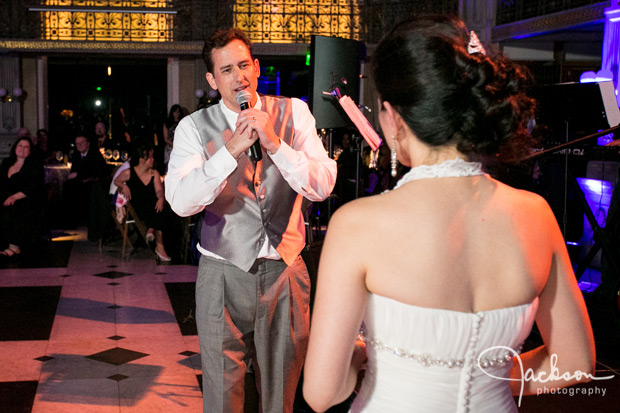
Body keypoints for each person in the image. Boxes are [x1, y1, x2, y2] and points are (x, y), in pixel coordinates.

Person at [303, 15, 595, 413]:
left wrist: (360, 355)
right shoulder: (536, 214)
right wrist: (480, 378)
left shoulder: (357, 225)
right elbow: (575, 365)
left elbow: (322, 394)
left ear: (392, 118)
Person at [165, 28, 337, 413]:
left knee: (281, 394)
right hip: (222, 273)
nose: (238, 77)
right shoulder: (193, 128)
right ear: (212, 80)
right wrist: (230, 151)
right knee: (222, 394)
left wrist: (275, 143)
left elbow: (323, 184)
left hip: (285, 271)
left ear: (257, 68)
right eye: (226, 69)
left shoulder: (295, 112)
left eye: (244, 65)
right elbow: (180, 202)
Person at [114, 141, 171, 262]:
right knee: (156, 210)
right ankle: (159, 246)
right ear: (142, 158)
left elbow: (159, 190)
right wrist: (124, 186)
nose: (152, 159)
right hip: (138, 207)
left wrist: (161, 198)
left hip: (152, 207)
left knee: (159, 206)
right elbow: (116, 181)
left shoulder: (154, 173)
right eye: (150, 156)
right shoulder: (129, 173)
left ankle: (152, 232)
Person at [0, 137, 44, 256]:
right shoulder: (6, 162)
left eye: (26, 147)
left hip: (26, 199)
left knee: (13, 207)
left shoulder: (34, 165)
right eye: (20, 146)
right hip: (5, 196)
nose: (22, 149)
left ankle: (14, 246)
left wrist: (14, 197)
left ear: (30, 151)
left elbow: (34, 187)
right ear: (15, 147)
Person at [64, 132, 109, 241]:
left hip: (93, 185)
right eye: (77, 143)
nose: (79, 145)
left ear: (88, 143)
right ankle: (70, 220)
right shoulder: (75, 155)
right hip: (80, 183)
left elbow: (96, 172)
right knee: (68, 186)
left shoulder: (95, 154)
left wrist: (80, 175)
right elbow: (73, 171)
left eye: (82, 143)